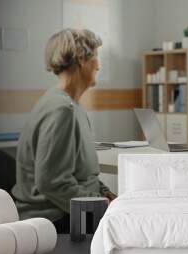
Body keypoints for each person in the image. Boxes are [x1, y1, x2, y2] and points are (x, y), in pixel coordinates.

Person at [12, 29, 116, 233]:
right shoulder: (61, 111)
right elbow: (53, 183)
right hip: (57, 219)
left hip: (70, 210)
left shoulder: (71, 106)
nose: (99, 65)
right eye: (95, 56)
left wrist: (107, 194)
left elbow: (85, 174)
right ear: (80, 59)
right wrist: (102, 205)